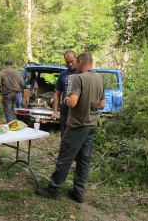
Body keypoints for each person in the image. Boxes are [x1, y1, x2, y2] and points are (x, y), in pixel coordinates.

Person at [35, 53, 105, 203]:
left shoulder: (79, 78)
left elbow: (72, 102)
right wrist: (89, 104)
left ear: (80, 62)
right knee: (84, 160)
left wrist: (66, 99)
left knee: (65, 157)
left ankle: (54, 189)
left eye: (75, 63)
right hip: (91, 125)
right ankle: (79, 192)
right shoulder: (100, 80)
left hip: (77, 125)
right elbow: (102, 105)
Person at [52, 50, 78, 138]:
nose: (70, 64)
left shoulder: (81, 72)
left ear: (76, 59)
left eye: (72, 61)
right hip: (64, 111)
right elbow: (57, 94)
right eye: (67, 62)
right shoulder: (63, 74)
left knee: (76, 137)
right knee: (64, 136)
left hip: (78, 112)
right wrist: (55, 112)